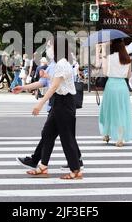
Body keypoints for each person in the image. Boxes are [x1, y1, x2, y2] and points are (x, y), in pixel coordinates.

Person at [14, 41, 83, 171]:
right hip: (59, 102)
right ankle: (43, 165)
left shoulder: (61, 64)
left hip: (62, 102)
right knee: (49, 134)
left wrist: (40, 103)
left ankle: (75, 168)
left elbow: (55, 86)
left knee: (66, 137)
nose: (48, 49)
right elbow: (50, 82)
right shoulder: (56, 64)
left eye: (50, 46)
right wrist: (24, 87)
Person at [99, 39, 132, 147]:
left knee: (108, 110)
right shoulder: (127, 59)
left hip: (111, 85)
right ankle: (120, 138)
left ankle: (106, 134)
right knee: (121, 111)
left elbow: (105, 73)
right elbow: (129, 76)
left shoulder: (109, 58)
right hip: (122, 86)